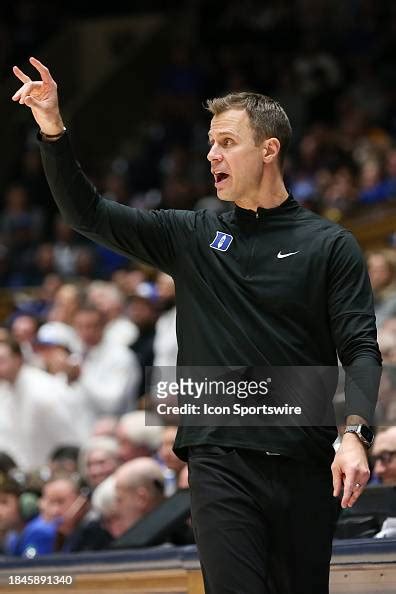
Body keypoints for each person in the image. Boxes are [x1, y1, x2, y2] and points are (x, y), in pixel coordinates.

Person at [12, 57, 382, 594]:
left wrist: (355, 435)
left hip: (304, 462)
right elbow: (86, 213)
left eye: (227, 142)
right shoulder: (192, 234)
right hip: (219, 460)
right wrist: (52, 127)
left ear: (268, 149)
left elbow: (361, 349)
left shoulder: (329, 245)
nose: (211, 155)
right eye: (211, 143)